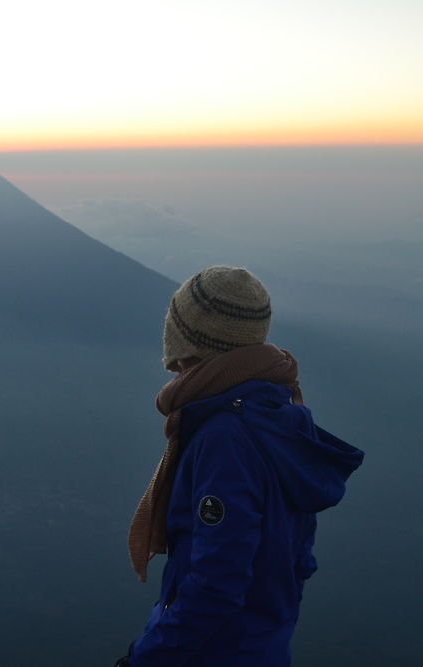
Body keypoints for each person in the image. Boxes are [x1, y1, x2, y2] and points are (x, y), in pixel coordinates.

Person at [114, 266, 364, 667]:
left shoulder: (225, 438)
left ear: (183, 337)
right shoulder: (282, 418)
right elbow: (299, 558)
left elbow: (217, 582)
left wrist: (149, 656)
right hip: (262, 647)